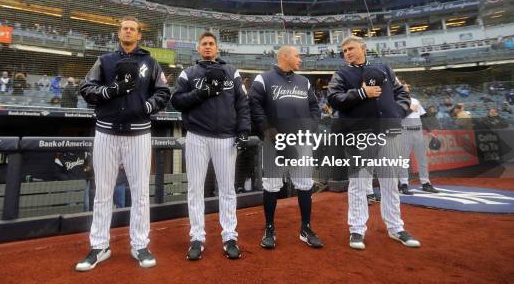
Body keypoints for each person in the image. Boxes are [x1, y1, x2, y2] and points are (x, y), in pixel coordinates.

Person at [75, 17, 170, 271]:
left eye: (133, 28)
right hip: (106, 132)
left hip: (139, 134)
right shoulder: (105, 60)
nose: (128, 31)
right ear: (119, 33)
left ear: (139, 35)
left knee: (140, 193)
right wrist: (110, 90)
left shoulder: (150, 62)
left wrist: (146, 107)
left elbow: (163, 92)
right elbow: (85, 87)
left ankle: (139, 244)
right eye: (124, 28)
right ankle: (99, 246)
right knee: (102, 193)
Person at [327, 36, 420, 251]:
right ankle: (357, 229)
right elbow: (333, 98)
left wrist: (397, 112)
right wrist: (361, 93)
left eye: (351, 48)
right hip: (360, 134)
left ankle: (396, 228)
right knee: (359, 183)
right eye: (344, 51)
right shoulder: (341, 74)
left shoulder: (384, 68)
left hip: (388, 131)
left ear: (363, 47)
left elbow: (402, 93)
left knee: (390, 183)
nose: (347, 53)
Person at [170, 31, 250, 261]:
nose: (207, 47)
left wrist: (244, 130)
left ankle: (230, 237)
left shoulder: (231, 71)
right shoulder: (189, 73)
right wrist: (201, 93)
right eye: (204, 44)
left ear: (217, 48)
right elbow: (176, 101)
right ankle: (197, 237)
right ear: (198, 48)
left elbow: (242, 104)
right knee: (195, 189)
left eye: (211, 44)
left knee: (227, 189)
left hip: (226, 137)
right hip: (197, 136)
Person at [249, 45, 323, 250]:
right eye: (297, 55)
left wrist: (311, 127)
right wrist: (270, 133)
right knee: (272, 184)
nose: (300, 59)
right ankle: (270, 228)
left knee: (305, 183)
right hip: (276, 141)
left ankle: (306, 228)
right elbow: (255, 107)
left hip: (301, 140)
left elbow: (314, 107)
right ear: (284, 56)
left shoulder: (304, 81)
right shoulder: (263, 79)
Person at [398, 82, 439, 195]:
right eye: (405, 86)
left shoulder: (415, 100)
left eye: (407, 87)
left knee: (422, 159)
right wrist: (410, 109)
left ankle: (426, 183)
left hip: (418, 132)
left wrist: (430, 131)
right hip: (404, 132)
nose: (407, 88)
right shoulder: (395, 101)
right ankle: (404, 184)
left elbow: (423, 117)